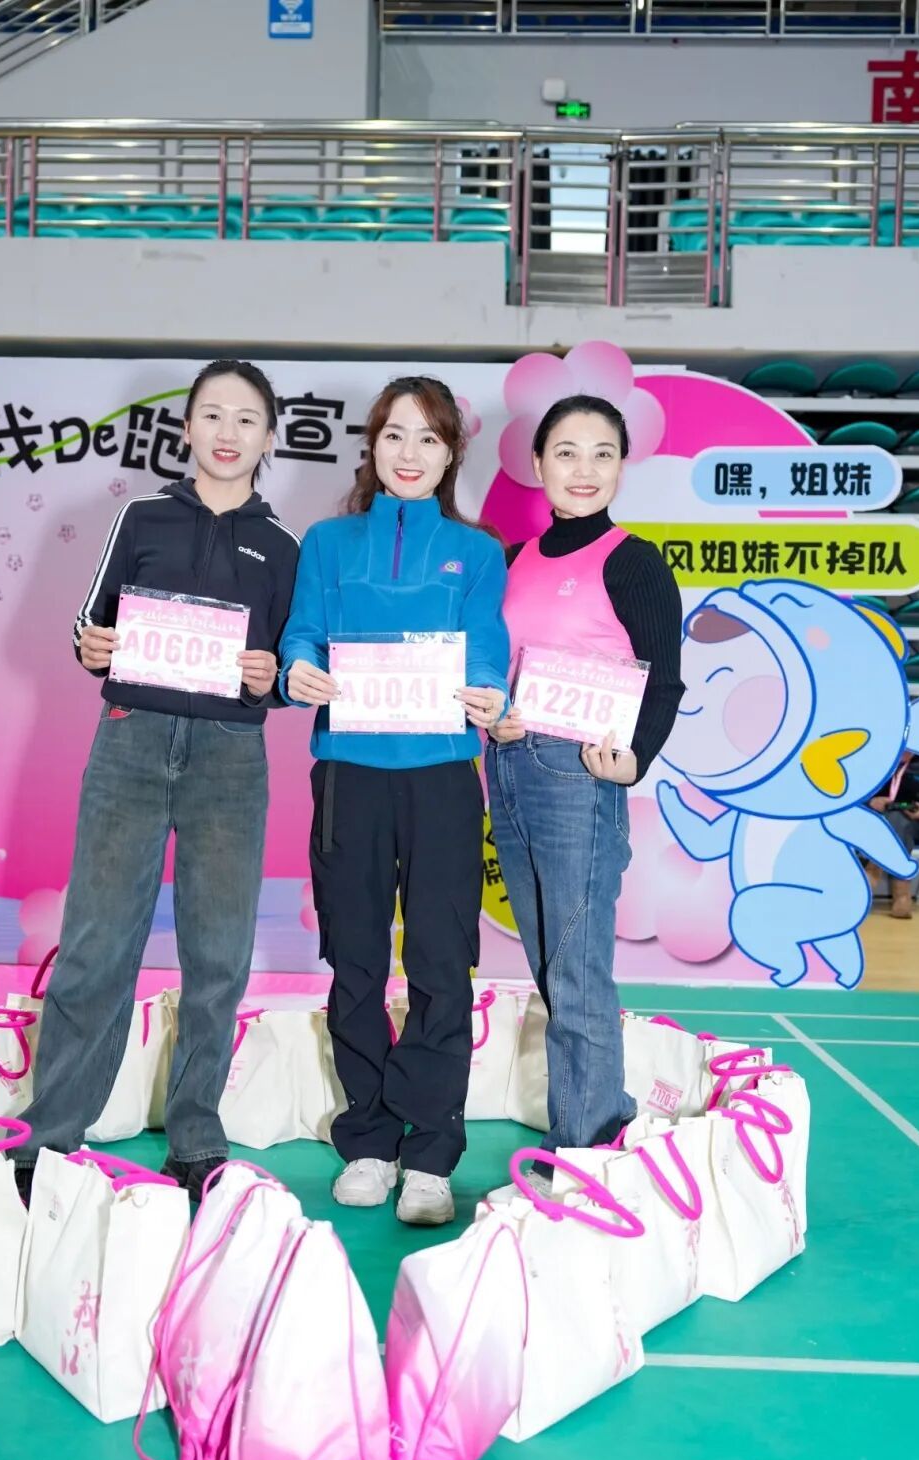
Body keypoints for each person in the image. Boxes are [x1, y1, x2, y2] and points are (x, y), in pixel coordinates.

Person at [9, 359, 300, 1204]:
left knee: (218, 956)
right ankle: (50, 1136)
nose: (227, 432)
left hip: (230, 758)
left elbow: (290, 665)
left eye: (246, 419)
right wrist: (89, 644)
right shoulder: (141, 516)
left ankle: (196, 1140)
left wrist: (272, 676)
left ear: (269, 437)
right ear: (185, 427)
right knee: (96, 945)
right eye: (212, 414)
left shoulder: (283, 546)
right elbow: (90, 621)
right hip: (130, 743)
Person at [279, 376, 510, 1226]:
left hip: (443, 775)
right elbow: (302, 631)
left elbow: (486, 644)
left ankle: (432, 1153)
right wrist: (300, 668)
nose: (409, 454)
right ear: (372, 446)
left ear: (451, 455)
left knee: (443, 962)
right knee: (357, 961)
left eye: (428, 439)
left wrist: (488, 687)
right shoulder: (328, 542)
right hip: (350, 774)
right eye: (394, 436)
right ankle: (369, 1141)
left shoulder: (477, 552)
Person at [486, 393, 684, 1154]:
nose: (584, 469)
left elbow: (663, 680)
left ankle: (588, 1150)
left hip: (580, 776)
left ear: (622, 467)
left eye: (603, 454)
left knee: (576, 970)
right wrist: (494, 716)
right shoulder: (513, 561)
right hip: (508, 764)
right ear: (537, 463)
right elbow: (496, 667)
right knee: (551, 964)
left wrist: (635, 758)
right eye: (567, 452)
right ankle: (603, 1121)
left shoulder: (633, 561)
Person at [865, 748, 919, 918]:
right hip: (878, 822)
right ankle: (902, 894)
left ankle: (872, 873)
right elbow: (850, 796)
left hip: (918, 824)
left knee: (896, 820)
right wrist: (871, 802)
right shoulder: (875, 762)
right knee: (896, 819)